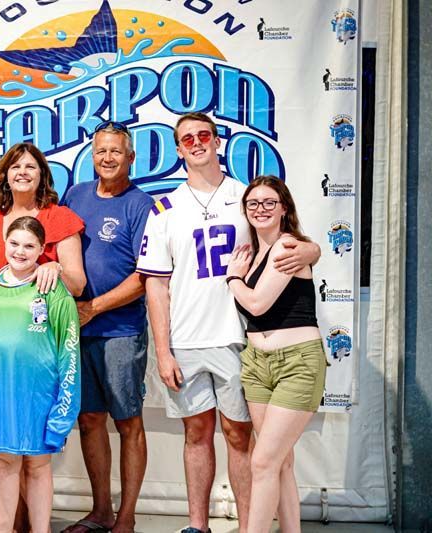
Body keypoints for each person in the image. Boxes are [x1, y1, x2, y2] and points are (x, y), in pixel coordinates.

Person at [137, 112, 320, 533]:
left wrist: (312, 251)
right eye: (187, 138)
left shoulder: (245, 198)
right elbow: (156, 286)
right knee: (195, 434)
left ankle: (245, 526)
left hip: (241, 338)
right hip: (185, 338)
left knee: (241, 437)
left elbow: (288, 238)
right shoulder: (165, 207)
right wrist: (163, 350)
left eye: (204, 135)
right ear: (178, 149)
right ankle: (197, 525)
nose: (197, 143)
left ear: (217, 141)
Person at [0, 216, 81, 533]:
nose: (21, 251)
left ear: (42, 249)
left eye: (29, 246)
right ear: (4, 244)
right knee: (2, 465)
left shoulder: (55, 292)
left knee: (39, 466)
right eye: (14, 243)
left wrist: (62, 412)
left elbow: (69, 354)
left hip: (40, 399)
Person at [60, 121, 153, 533]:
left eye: (116, 151)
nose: (108, 158)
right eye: (101, 151)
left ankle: (127, 517)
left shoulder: (140, 204)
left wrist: (94, 307)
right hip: (77, 332)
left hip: (120, 330)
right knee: (89, 419)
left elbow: (144, 276)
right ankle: (100, 512)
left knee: (127, 421)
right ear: (92, 156)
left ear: (130, 157)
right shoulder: (75, 196)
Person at [224, 176, 328, 533]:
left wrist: (233, 278)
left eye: (269, 202)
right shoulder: (253, 255)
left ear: (284, 208)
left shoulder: (287, 247)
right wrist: (242, 271)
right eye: (253, 204)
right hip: (256, 364)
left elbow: (257, 302)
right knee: (279, 462)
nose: (261, 209)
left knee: (263, 462)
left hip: (296, 362)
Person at [0, 142, 86, 296]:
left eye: (30, 167)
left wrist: (55, 270)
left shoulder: (60, 218)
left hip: (37, 317)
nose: (22, 172)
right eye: (15, 167)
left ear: (42, 175)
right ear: (6, 177)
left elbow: (77, 287)